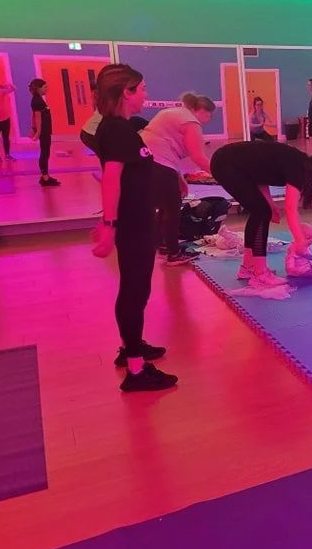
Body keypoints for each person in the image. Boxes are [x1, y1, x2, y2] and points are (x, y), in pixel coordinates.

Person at [91, 65, 177, 392]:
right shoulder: (115, 129)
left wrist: (105, 220)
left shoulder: (121, 129)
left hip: (137, 220)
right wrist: (110, 225)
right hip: (132, 225)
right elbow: (111, 178)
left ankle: (132, 348)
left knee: (136, 290)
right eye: (142, 88)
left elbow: (123, 178)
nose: (146, 94)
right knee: (134, 292)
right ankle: (137, 371)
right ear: (126, 92)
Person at [210, 140, 312, 287]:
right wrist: (300, 241)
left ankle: (248, 268)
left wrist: (271, 204)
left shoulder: (299, 163)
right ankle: (260, 273)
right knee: (261, 212)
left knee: (262, 210)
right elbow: (290, 209)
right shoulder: (298, 168)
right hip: (226, 164)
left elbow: (260, 175)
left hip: (230, 163)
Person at [141, 92, 217, 266]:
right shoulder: (190, 121)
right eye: (209, 116)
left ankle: (163, 245)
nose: (208, 120)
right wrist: (220, 174)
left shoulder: (175, 113)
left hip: (149, 159)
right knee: (172, 207)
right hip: (159, 161)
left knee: (166, 205)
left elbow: (169, 147)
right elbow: (198, 157)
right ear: (204, 111)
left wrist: (179, 176)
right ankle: (173, 254)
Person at [28, 78, 60, 187]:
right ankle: (45, 177)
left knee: (45, 152)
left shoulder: (38, 99)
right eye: (45, 87)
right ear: (38, 88)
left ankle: (44, 176)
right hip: (44, 131)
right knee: (45, 153)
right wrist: (38, 132)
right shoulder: (37, 100)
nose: (47, 89)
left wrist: (33, 128)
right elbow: (37, 118)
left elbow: (34, 116)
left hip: (45, 130)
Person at [0, 76, 16, 162]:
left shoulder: (1, 91)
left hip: (5, 118)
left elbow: (14, 89)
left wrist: (9, 84)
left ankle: (7, 155)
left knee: (6, 137)